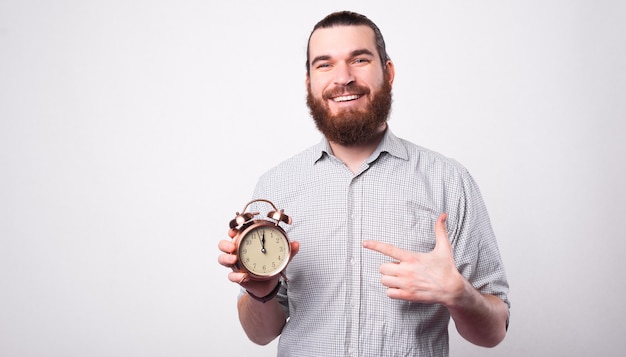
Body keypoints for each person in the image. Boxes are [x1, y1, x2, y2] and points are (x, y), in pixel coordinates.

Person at [218, 10, 510, 357]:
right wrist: (261, 292)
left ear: (388, 72)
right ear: (309, 80)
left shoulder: (447, 180)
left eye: (359, 59)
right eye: (324, 64)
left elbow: (493, 333)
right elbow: (261, 334)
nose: (343, 78)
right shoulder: (277, 186)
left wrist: (459, 293)